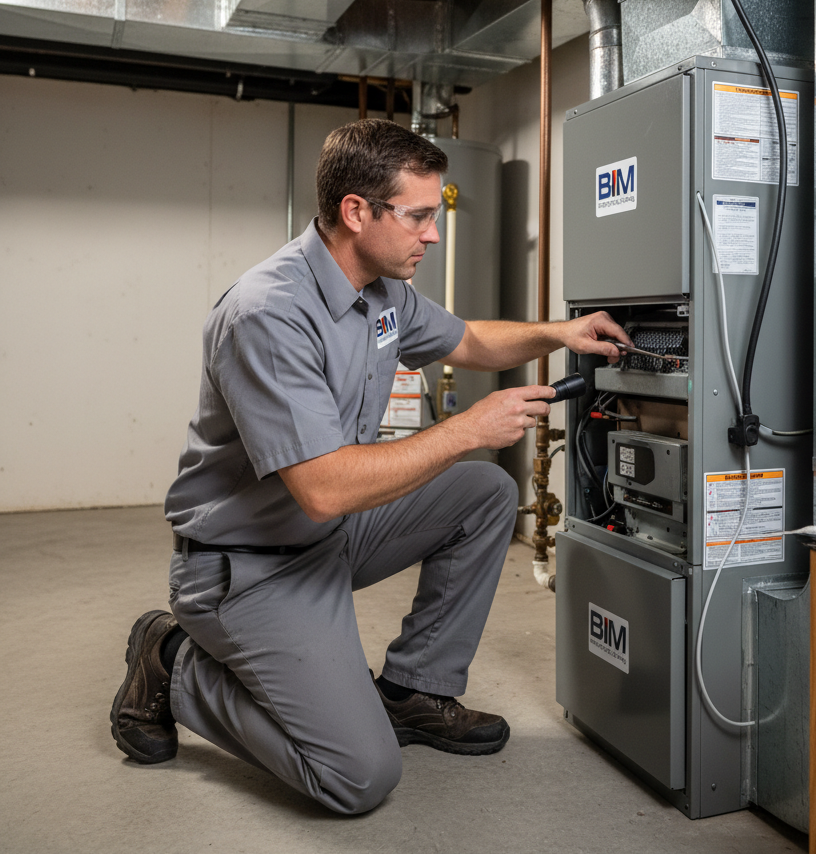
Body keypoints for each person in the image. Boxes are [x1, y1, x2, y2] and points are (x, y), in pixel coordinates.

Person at [109, 118, 629, 814]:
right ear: (357, 211)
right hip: (247, 566)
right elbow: (324, 490)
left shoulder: (382, 292)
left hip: (324, 539)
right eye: (418, 216)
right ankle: (170, 663)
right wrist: (465, 428)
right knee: (357, 777)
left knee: (482, 492)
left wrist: (560, 333)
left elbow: (468, 338)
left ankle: (416, 690)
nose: (433, 234)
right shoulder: (270, 313)